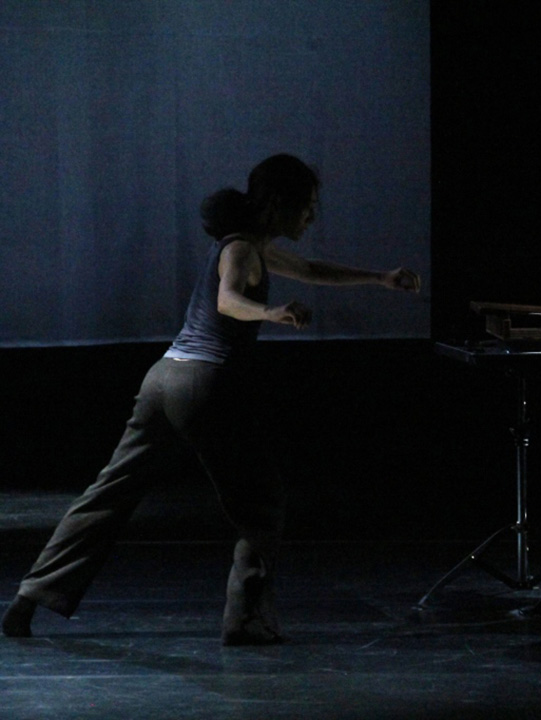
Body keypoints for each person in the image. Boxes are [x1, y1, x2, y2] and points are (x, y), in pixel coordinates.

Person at [2, 154, 421, 644]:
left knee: (110, 493)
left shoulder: (249, 244)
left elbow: (310, 269)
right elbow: (228, 300)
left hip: (163, 379)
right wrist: (270, 312)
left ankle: (29, 598)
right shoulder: (241, 250)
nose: (312, 216)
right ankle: (246, 621)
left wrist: (378, 277)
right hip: (203, 383)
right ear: (276, 205)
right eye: (306, 205)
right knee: (261, 504)